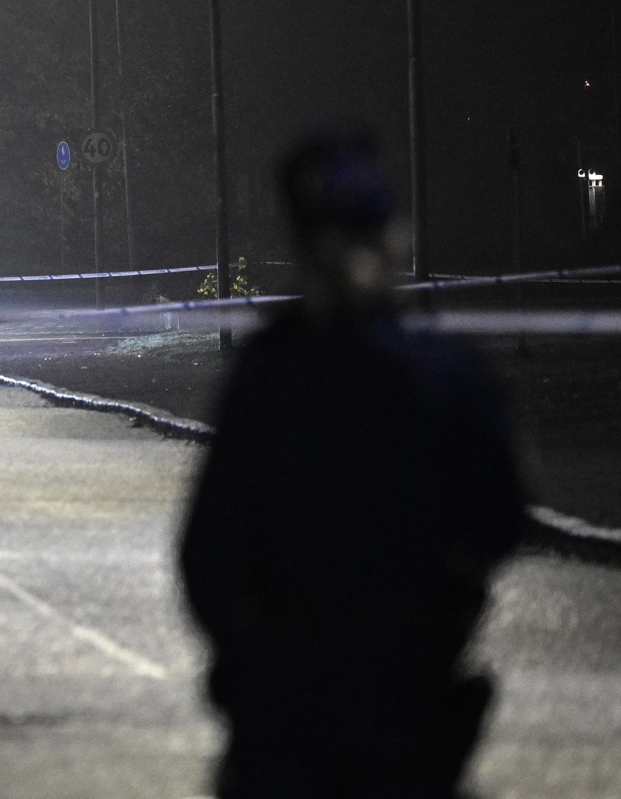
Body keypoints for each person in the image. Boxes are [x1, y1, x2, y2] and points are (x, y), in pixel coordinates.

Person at [180, 134, 525, 799]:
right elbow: (500, 521)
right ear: (395, 240)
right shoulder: (445, 377)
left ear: (304, 249)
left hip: (285, 715)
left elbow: (208, 549)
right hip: (408, 704)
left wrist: (248, 654)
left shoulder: (268, 377)